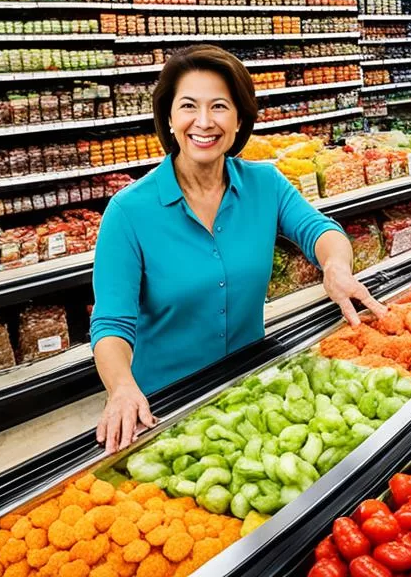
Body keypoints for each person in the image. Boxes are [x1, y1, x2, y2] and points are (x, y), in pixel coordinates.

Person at [90, 45, 387, 451]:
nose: (204, 122)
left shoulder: (265, 184)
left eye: (220, 106)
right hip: (165, 408)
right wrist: (121, 387)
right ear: (170, 118)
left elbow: (320, 230)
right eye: (189, 106)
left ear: (239, 118)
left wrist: (335, 267)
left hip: (252, 389)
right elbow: (111, 322)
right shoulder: (128, 211)